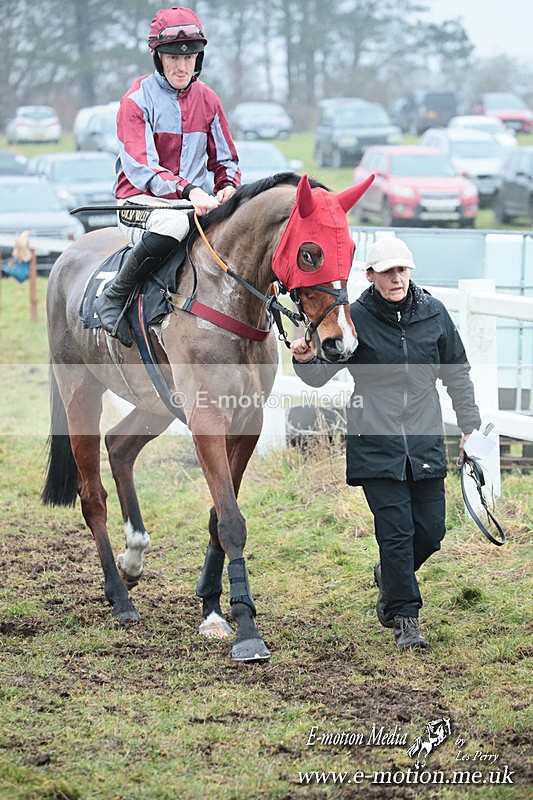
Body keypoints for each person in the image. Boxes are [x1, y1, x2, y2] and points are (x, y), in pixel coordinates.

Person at [291, 236, 481, 651]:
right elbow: (320, 375)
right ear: (370, 276)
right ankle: (405, 619)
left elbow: (457, 372)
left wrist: (470, 427)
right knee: (395, 535)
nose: (397, 278)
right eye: (388, 271)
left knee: (430, 532)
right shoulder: (355, 318)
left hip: (425, 441)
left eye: (402, 270)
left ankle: (389, 577)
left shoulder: (434, 313)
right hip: (375, 443)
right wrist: (304, 358)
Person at [94, 6, 241, 346]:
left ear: (199, 58)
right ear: (158, 57)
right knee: (173, 225)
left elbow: (226, 159)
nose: (182, 66)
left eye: (189, 57)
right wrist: (189, 190)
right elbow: (141, 167)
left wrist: (228, 187)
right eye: (173, 57)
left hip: (193, 203)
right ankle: (115, 296)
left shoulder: (209, 100)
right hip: (140, 202)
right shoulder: (136, 100)